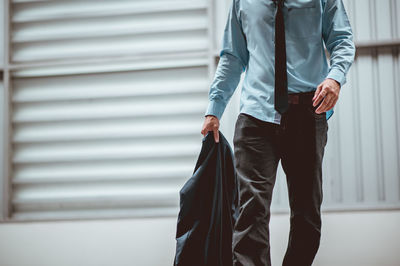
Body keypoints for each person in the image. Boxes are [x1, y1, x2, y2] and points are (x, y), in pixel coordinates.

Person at [200, 0, 356, 265]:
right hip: (255, 118)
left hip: (308, 114)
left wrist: (335, 78)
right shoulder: (243, 2)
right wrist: (214, 110)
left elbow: (342, 40)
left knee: (307, 215)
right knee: (251, 211)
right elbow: (233, 57)